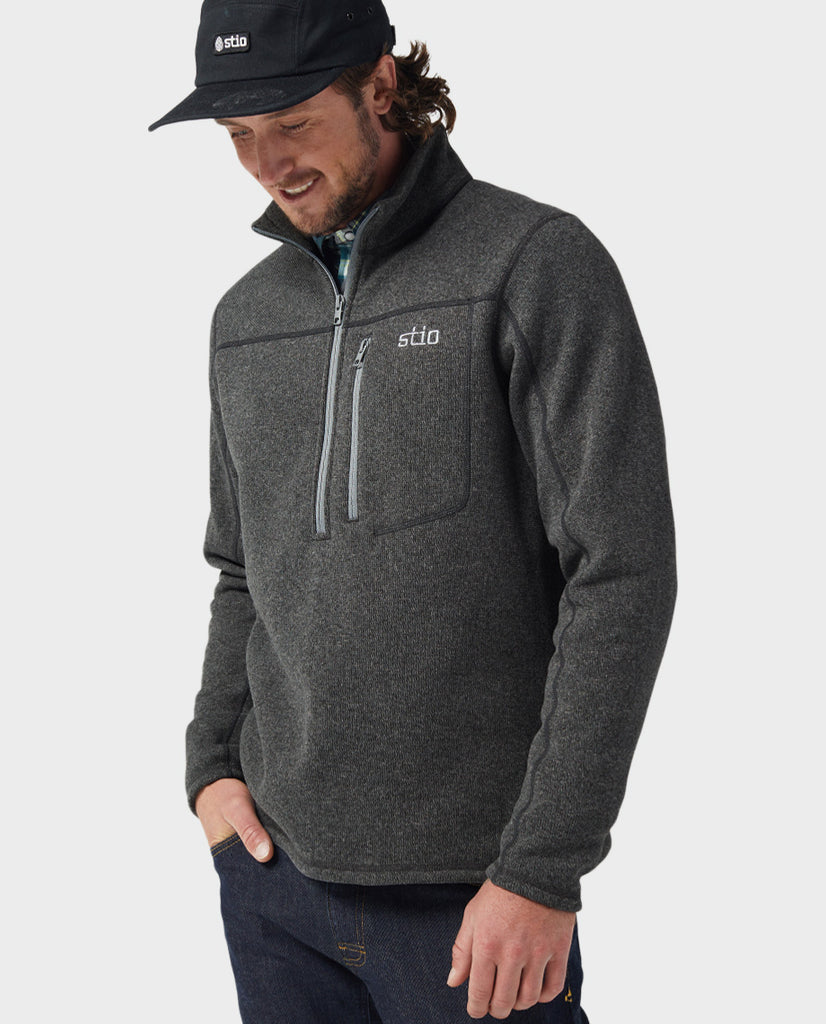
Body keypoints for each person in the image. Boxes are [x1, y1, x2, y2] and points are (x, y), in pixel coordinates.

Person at [150, 2, 677, 1021]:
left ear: (381, 86)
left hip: (477, 904)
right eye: (238, 134)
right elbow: (242, 568)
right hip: (275, 884)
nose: (267, 164)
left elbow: (621, 571)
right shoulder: (245, 319)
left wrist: (541, 869)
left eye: (293, 122)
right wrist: (211, 770)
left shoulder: (532, 264)